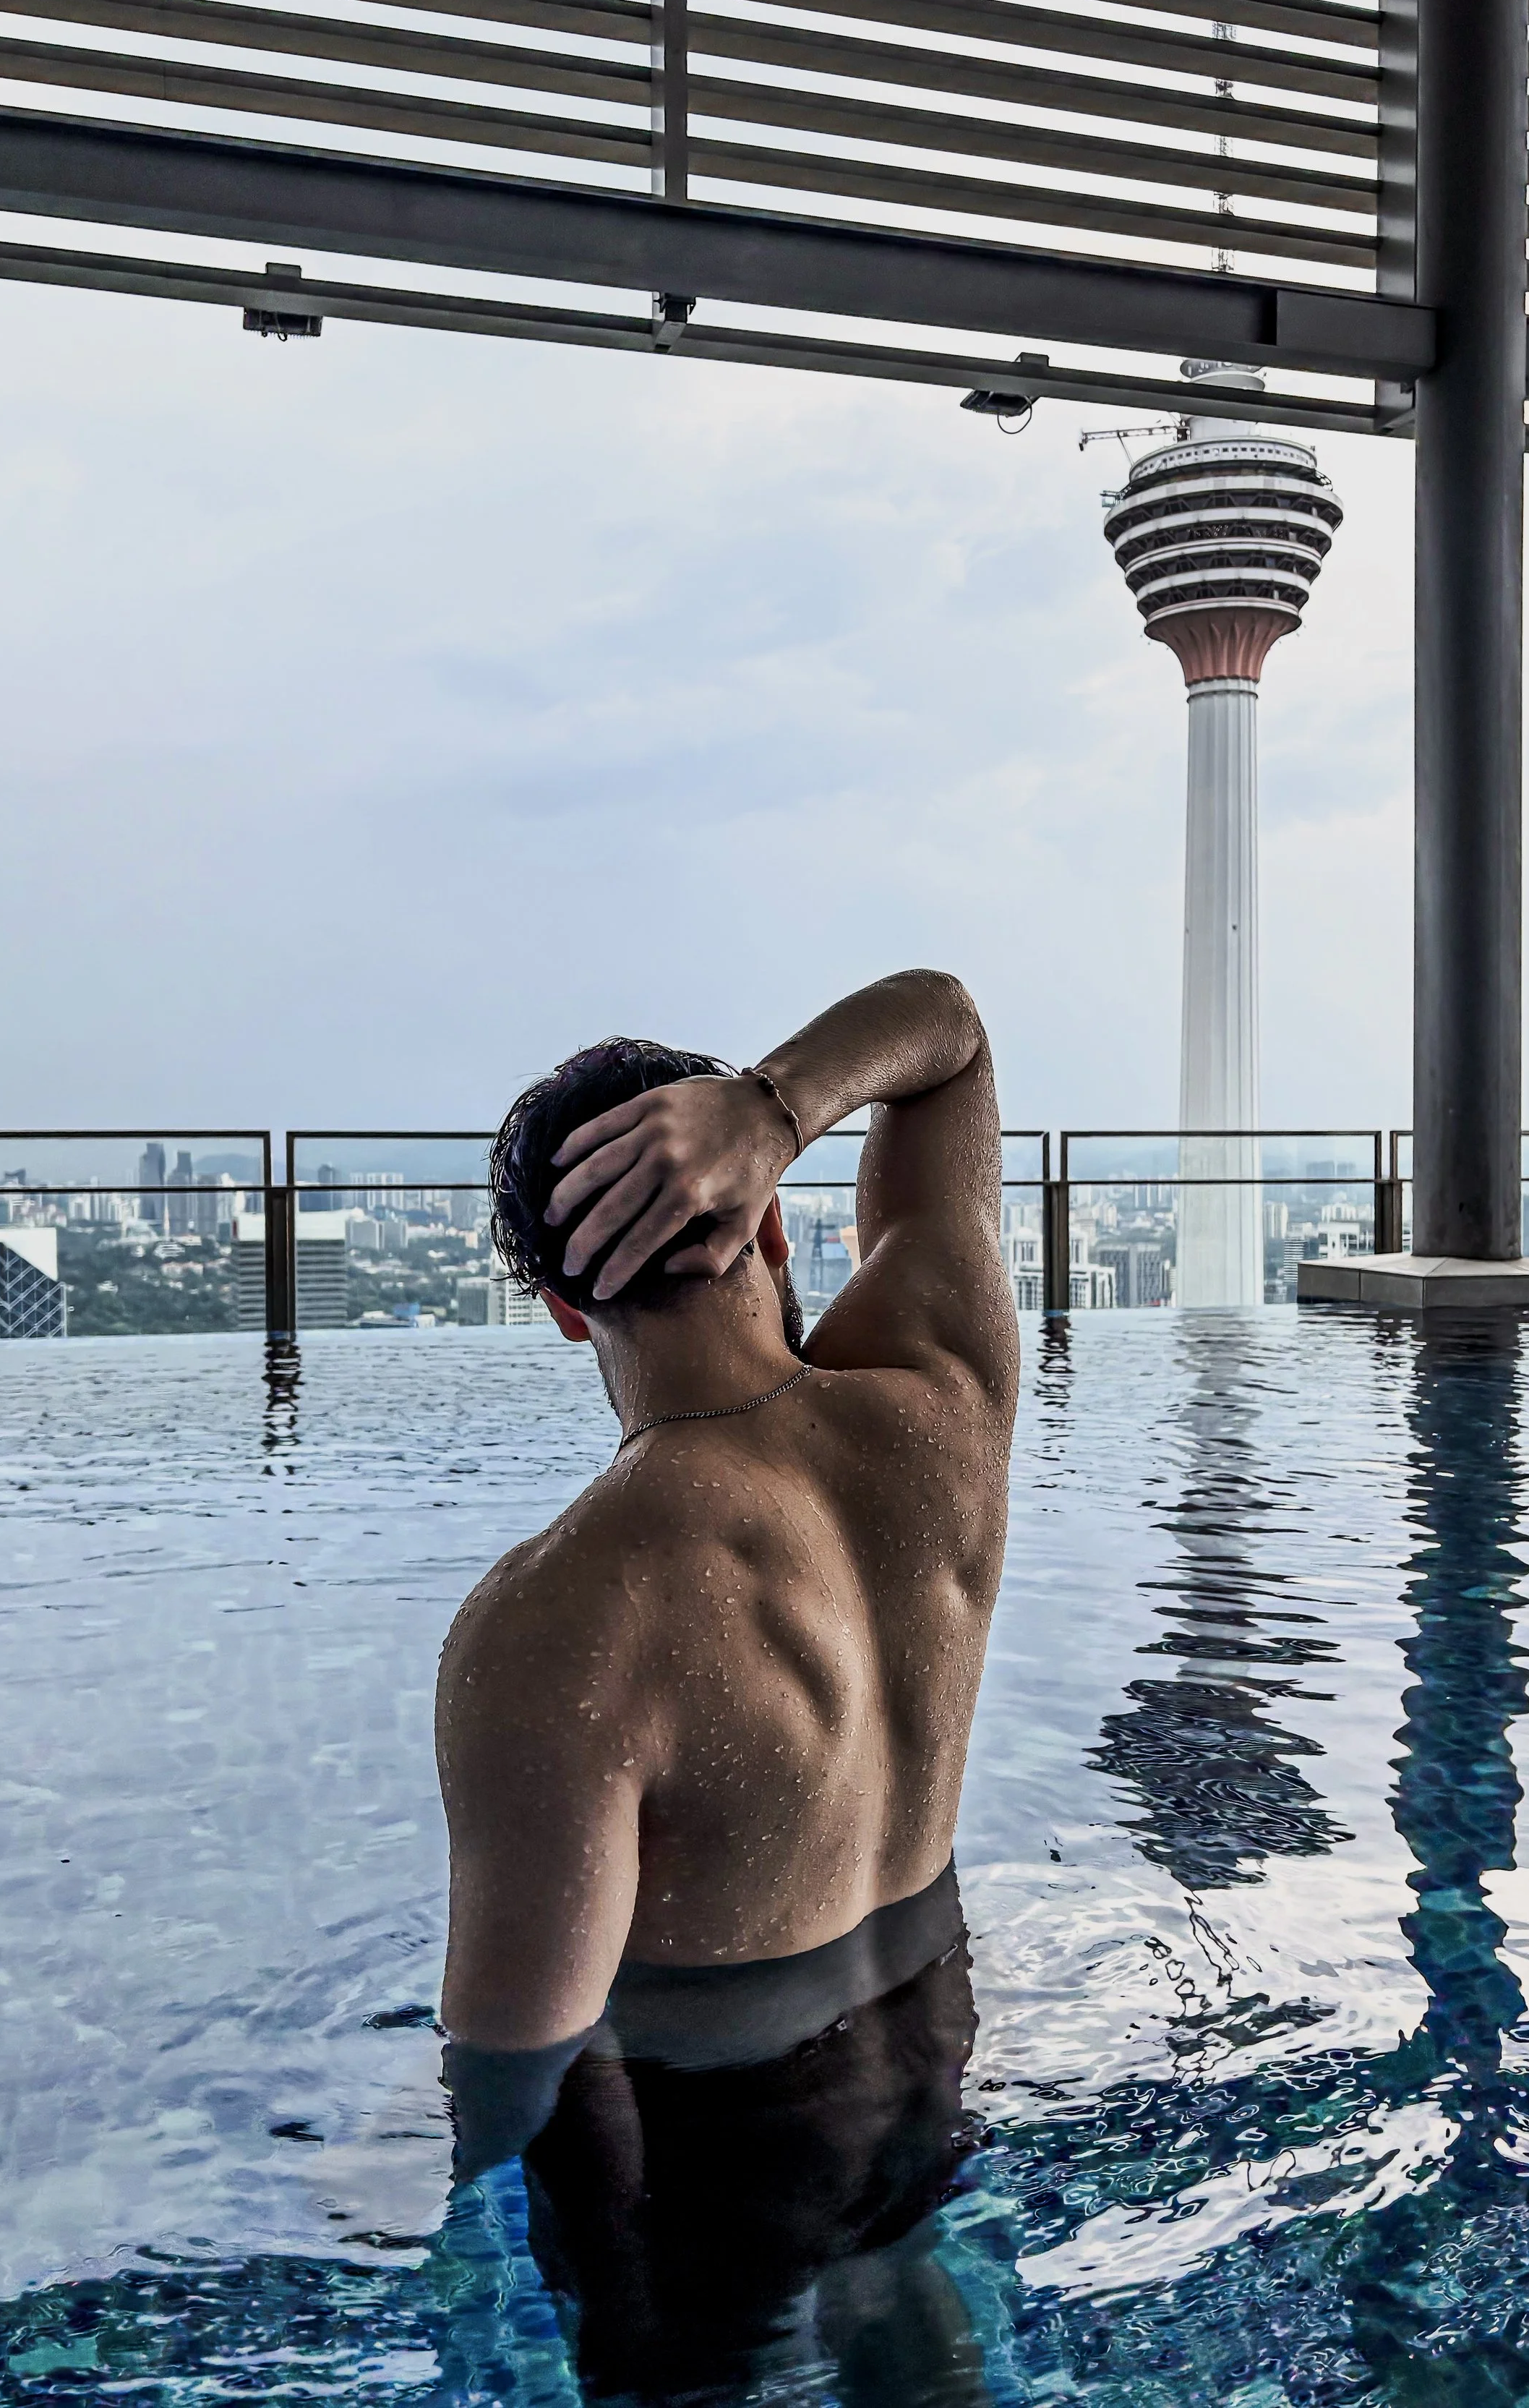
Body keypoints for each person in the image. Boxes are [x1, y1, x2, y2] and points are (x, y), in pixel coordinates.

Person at [433, 969, 1017, 2396]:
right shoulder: (941, 1396)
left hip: (736, 2156)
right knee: (907, 2316)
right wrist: (777, 1102)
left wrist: (607, 2336)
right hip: (932, 2060)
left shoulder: (553, 1621)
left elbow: (523, 2082)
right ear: (765, 1211)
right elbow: (946, 1032)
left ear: (567, 1309)